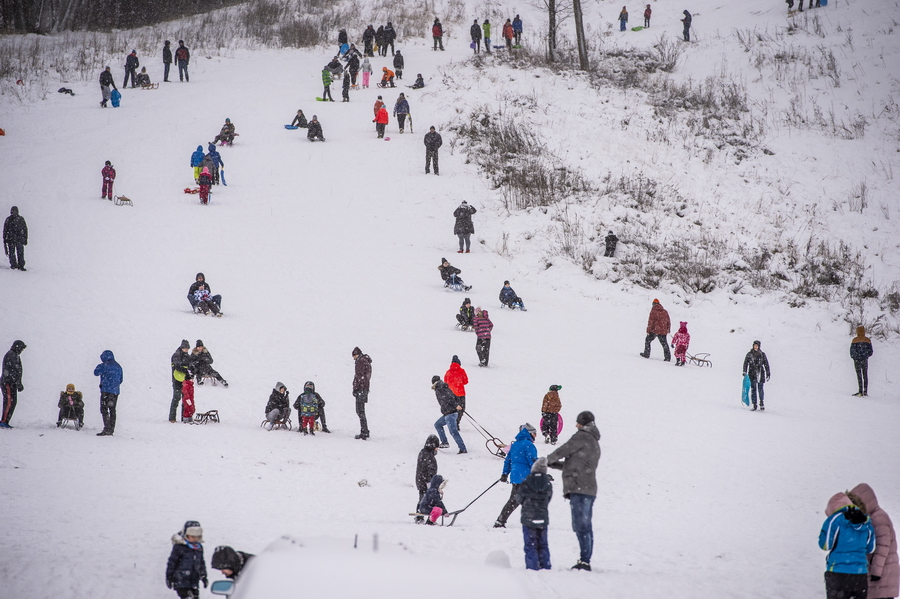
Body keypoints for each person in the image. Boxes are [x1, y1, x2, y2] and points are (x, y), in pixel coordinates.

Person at [548, 410, 602, 571]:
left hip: (580, 488)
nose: (576, 425)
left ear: (582, 422)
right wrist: (555, 465)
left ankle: (585, 562)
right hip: (589, 488)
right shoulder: (594, 441)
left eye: (578, 422)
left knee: (581, 525)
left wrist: (548, 459)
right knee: (585, 525)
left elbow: (564, 450)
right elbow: (577, 466)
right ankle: (585, 559)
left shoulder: (582, 436)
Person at [819, 492, 876, 599]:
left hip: (838, 572)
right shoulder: (866, 522)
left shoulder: (835, 520)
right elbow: (871, 548)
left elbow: (825, 545)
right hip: (860, 575)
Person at [848, 483, 899, 599]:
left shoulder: (878, 518)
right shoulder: (870, 518)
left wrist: (876, 572)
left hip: (882, 576)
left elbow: (883, 547)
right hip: (880, 576)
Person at [493, 423, 538, 528]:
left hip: (516, 476)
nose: (536, 436)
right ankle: (501, 521)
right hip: (526, 477)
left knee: (517, 500)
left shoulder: (515, 445)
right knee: (521, 500)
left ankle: (501, 520)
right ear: (529, 433)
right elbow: (533, 462)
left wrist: (504, 474)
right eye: (535, 433)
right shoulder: (529, 445)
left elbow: (508, 461)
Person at [517, 457, 552, 570]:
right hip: (542, 518)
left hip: (528, 518)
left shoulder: (526, 483)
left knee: (530, 544)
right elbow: (548, 498)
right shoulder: (548, 484)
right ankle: (545, 565)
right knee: (543, 544)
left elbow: (519, 498)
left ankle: (532, 566)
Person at [166, 522, 207, 597]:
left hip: (194, 581)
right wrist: (169, 576)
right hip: (181, 581)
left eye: (197, 537)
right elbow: (172, 562)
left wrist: (203, 576)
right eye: (193, 537)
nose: (195, 539)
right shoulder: (179, 547)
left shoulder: (199, 548)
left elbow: (201, 563)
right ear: (186, 535)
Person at [432, 375, 466, 453]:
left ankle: (463, 449)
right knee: (438, 425)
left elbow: (448, 398)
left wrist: (455, 405)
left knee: (453, 432)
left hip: (450, 413)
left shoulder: (439, 389)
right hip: (450, 413)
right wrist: (458, 404)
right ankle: (444, 442)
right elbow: (454, 396)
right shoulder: (445, 387)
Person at [93, 350, 123, 436]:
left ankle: (107, 428)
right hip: (115, 391)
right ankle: (111, 429)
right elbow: (121, 380)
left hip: (106, 391)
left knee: (104, 409)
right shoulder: (118, 366)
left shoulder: (104, 365)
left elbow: (96, 373)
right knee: (112, 410)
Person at [0, 340, 26, 428]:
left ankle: (5, 421)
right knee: (9, 402)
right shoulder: (11, 355)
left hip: (12, 383)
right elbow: (13, 371)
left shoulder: (15, 355)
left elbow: (17, 371)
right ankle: (3, 421)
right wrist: (17, 382)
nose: (22, 350)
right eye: (21, 348)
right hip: (8, 383)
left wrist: (18, 383)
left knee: (12, 402)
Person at [415, 435, 440, 522]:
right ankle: (427, 518)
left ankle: (420, 516)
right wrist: (430, 483)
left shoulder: (424, 453)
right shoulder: (428, 456)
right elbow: (426, 471)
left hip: (422, 481)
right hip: (425, 482)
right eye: (436, 448)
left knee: (423, 499)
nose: (437, 450)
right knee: (428, 500)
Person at [742, 340, 770, 411]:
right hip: (752, 373)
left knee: (760, 389)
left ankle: (761, 403)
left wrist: (768, 373)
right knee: (753, 389)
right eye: (754, 345)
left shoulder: (762, 354)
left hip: (760, 373)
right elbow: (745, 363)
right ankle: (754, 404)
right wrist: (744, 371)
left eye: (757, 346)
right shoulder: (749, 354)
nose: (755, 347)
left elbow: (766, 364)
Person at [352, 347, 372, 439]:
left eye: (354, 356)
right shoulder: (364, 361)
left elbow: (360, 377)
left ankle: (364, 431)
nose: (353, 358)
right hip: (363, 389)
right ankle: (364, 431)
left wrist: (357, 388)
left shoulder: (361, 362)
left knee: (360, 411)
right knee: (360, 411)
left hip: (361, 390)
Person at [170, 340, 192, 423]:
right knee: (176, 397)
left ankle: (184, 417)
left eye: (187, 349)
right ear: (182, 348)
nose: (186, 350)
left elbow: (191, 366)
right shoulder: (176, 355)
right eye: (185, 348)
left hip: (185, 380)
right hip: (177, 380)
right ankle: (172, 417)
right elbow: (178, 366)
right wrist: (186, 370)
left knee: (185, 399)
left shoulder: (187, 356)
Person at [443, 355, 468, 424]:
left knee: (453, 409)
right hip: (460, 393)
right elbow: (466, 381)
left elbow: (445, 382)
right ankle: (457, 421)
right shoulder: (462, 371)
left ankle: (452, 422)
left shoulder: (448, 372)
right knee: (461, 408)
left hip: (451, 394)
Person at [850, 326, 873, 397]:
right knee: (865, 375)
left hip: (857, 360)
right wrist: (865, 356)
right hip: (864, 360)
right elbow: (871, 351)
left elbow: (852, 351)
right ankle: (865, 391)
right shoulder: (867, 340)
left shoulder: (855, 340)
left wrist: (855, 357)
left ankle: (860, 391)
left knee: (859, 375)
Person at [4, 206, 28, 271]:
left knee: (20, 252)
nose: (14, 212)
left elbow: (25, 229)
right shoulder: (9, 219)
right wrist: (4, 239)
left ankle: (21, 265)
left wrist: (25, 238)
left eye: (15, 211)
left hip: (18, 239)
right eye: (13, 211)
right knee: (12, 253)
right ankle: (13, 265)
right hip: (11, 239)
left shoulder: (20, 219)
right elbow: (5, 230)